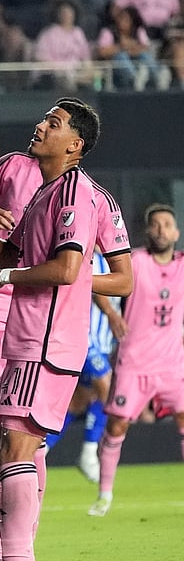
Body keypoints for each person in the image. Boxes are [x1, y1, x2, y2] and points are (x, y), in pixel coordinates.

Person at [0, 116, 132, 561]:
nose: (41, 126)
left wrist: (5, 278)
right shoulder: (47, 192)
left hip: (47, 341)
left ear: (75, 145)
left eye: (54, 123)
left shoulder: (75, 194)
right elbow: (14, 255)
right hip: (26, 338)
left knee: (15, 450)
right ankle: (0, 558)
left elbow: (68, 270)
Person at [91, 203, 184, 517]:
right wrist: (110, 314)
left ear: (176, 232)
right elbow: (96, 283)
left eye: (166, 224)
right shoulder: (136, 262)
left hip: (172, 364)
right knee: (117, 426)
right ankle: (104, 495)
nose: (161, 229)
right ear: (148, 231)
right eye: (155, 224)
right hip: (134, 361)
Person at [43, 251, 119, 484]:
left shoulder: (117, 259)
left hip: (103, 341)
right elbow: (88, 287)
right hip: (84, 338)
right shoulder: (84, 255)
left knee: (78, 402)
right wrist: (111, 314)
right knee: (108, 388)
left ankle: (40, 449)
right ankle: (89, 452)